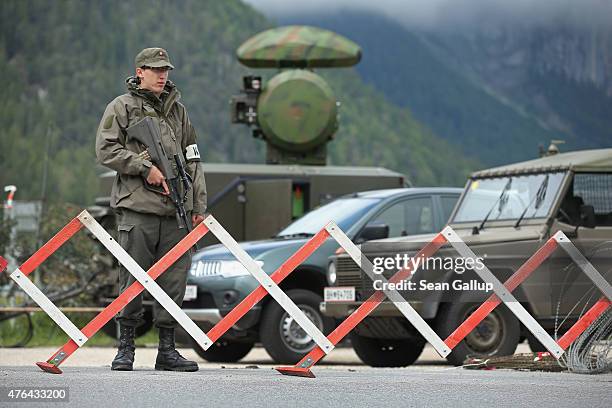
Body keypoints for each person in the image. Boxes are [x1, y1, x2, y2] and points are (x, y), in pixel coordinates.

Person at [96, 47, 206, 372]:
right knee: (132, 278)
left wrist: (198, 204)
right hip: (138, 210)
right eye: (156, 69)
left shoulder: (179, 111)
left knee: (174, 281)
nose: (162, 75)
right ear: (140, 71)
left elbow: (194, 159)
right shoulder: (122, 107)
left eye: (166, 69)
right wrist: (145, 168)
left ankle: (167, 351)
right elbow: (105, 148)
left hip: (176, 211)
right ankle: (125, 348)